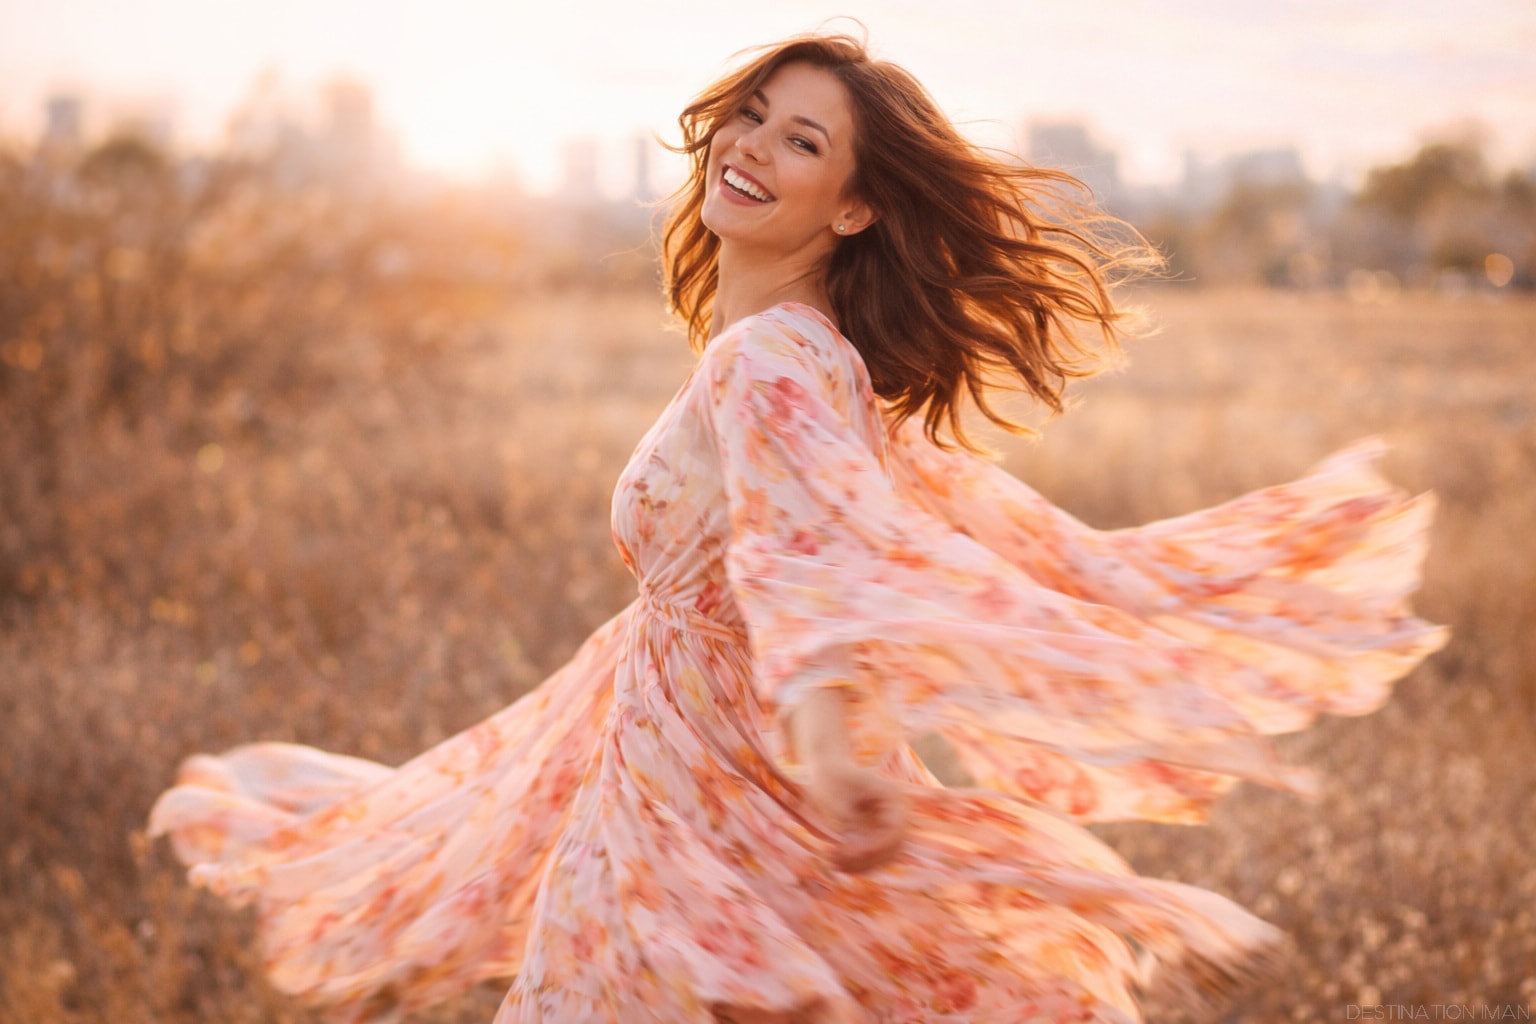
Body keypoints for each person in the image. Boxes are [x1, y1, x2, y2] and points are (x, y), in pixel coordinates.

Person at [149, 30, 1448, 1024]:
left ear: (857, 206)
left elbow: (806, 557)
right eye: (753, 118)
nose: (752, 149)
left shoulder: (777, 358)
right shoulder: (808, 357)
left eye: (802, 143)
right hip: (676, 787)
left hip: (732, 803)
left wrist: (829, 732)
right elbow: (831, 540)